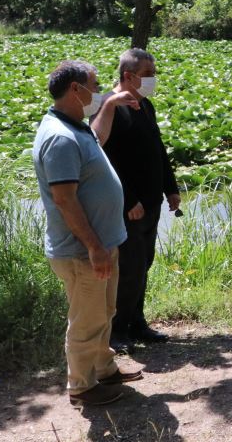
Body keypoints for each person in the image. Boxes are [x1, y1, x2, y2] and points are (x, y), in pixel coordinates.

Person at [32, 60, 143, 406]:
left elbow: (101, 135)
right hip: (82, 250)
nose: (99, 91)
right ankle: (81, 387)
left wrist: (109, 105)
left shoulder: (76, 126)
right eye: (95, 87)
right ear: (75, 90)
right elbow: (65, 200)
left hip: (102, 243)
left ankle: (104, 368)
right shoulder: (60, 138)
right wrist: (94, 247)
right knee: (85, 321)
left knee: (103, 312)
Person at [91, 48, 181, 354]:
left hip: (151, 203)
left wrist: (171, 187)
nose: (153, 80)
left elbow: (157, 150)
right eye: (148, 75)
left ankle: (138, 323)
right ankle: (116, 331)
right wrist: (128, 199)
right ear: (128, 76)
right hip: (127, 206)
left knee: (144, 263)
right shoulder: (108, 107)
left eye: (153, 74)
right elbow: (105, 160)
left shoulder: (145, 106)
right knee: (128, 268)